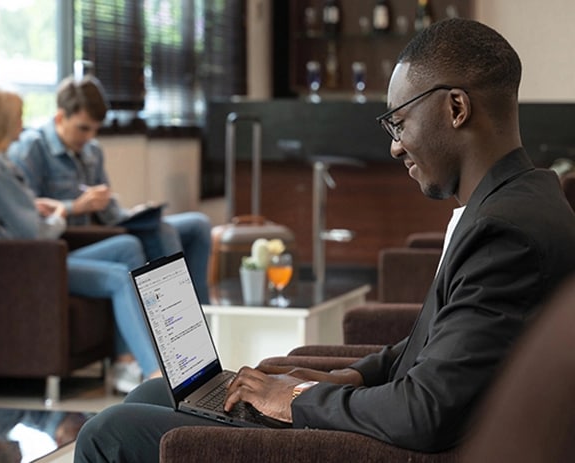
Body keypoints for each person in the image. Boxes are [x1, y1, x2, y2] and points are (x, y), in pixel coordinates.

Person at [74, 18, 575, 461]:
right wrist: (343, 377)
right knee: (154, 397)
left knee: (109, 432)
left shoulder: (505, 233)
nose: (396, 145)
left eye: (399, 122)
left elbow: (426, 412)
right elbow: (438, 345)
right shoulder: (519, 199)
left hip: (381, 446)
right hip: (388, 424)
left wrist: (294, 401)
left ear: (457, 108)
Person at [0, 83, 161, 393]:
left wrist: (34, 207)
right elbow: (34, 233)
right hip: (28, 264)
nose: (23, 122)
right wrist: (60, 213)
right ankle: (154, 373)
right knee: (118, 277)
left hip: (23, 260)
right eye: (18, 116)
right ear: (3, 122)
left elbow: (7, 219)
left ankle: (123, 359)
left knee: (127, 246)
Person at [7, 75, 212, 304]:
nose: (89, 137)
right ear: (60, 117)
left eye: (95, 129)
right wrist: (74, 207)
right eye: (83, 128)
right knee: (163, 231)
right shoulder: (31, 148)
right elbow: (26, 211)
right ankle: (178, 325)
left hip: (108, 226)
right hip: (75, 238)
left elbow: (109, 212)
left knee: (198, 225)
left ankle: (202, 314)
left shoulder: (92, 151)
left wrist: (133, 213)